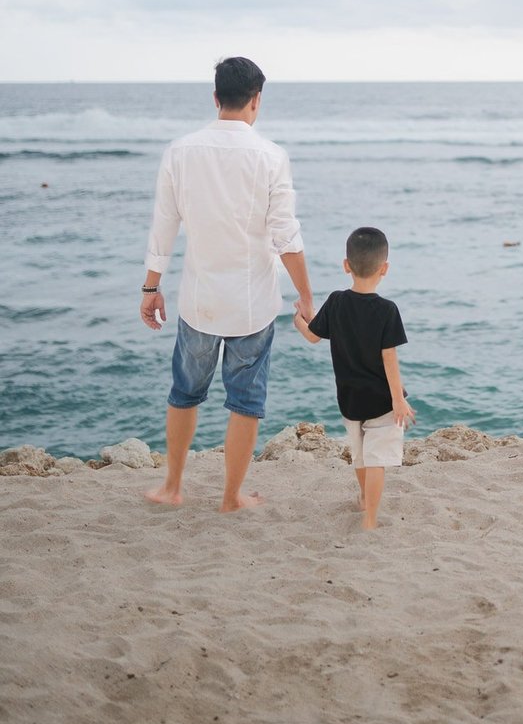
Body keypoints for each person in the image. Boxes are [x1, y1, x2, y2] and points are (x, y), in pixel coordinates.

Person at [140, 56, 313, 512]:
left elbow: (164, 225)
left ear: (215, 98)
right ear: (257, 101)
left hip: (199, 301)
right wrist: (307, 297)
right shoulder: (272, 157)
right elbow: (286, 236)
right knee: (246, 401)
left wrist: (150, 287)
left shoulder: (180, 151)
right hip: (253, 304)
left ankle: (172, 487)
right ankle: (231, 496)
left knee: (184, 393)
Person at [293, 226, 415, 531]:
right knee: (376, 461)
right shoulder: (387, 310)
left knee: (361, 457)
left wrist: (298, 320)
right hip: (382, 402)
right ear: (384, 269)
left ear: (346, 265)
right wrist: (398, 400)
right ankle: (370, 518)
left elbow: (312, 336)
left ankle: (363, 497)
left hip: (349, 400)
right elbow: (389, 358)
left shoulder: (336, 302)